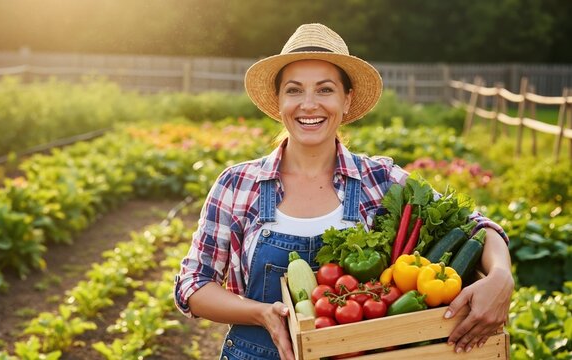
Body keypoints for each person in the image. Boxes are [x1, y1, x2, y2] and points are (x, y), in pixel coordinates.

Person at [174, 23, 513, 360]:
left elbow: (477, 225)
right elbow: (194, 285)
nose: (309, 104)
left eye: (325, 90)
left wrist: (500, 275)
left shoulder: (379, 179)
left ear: (346, 100)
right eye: (294, 90)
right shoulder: (237, 184)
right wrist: (261, 313)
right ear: (278, 102)